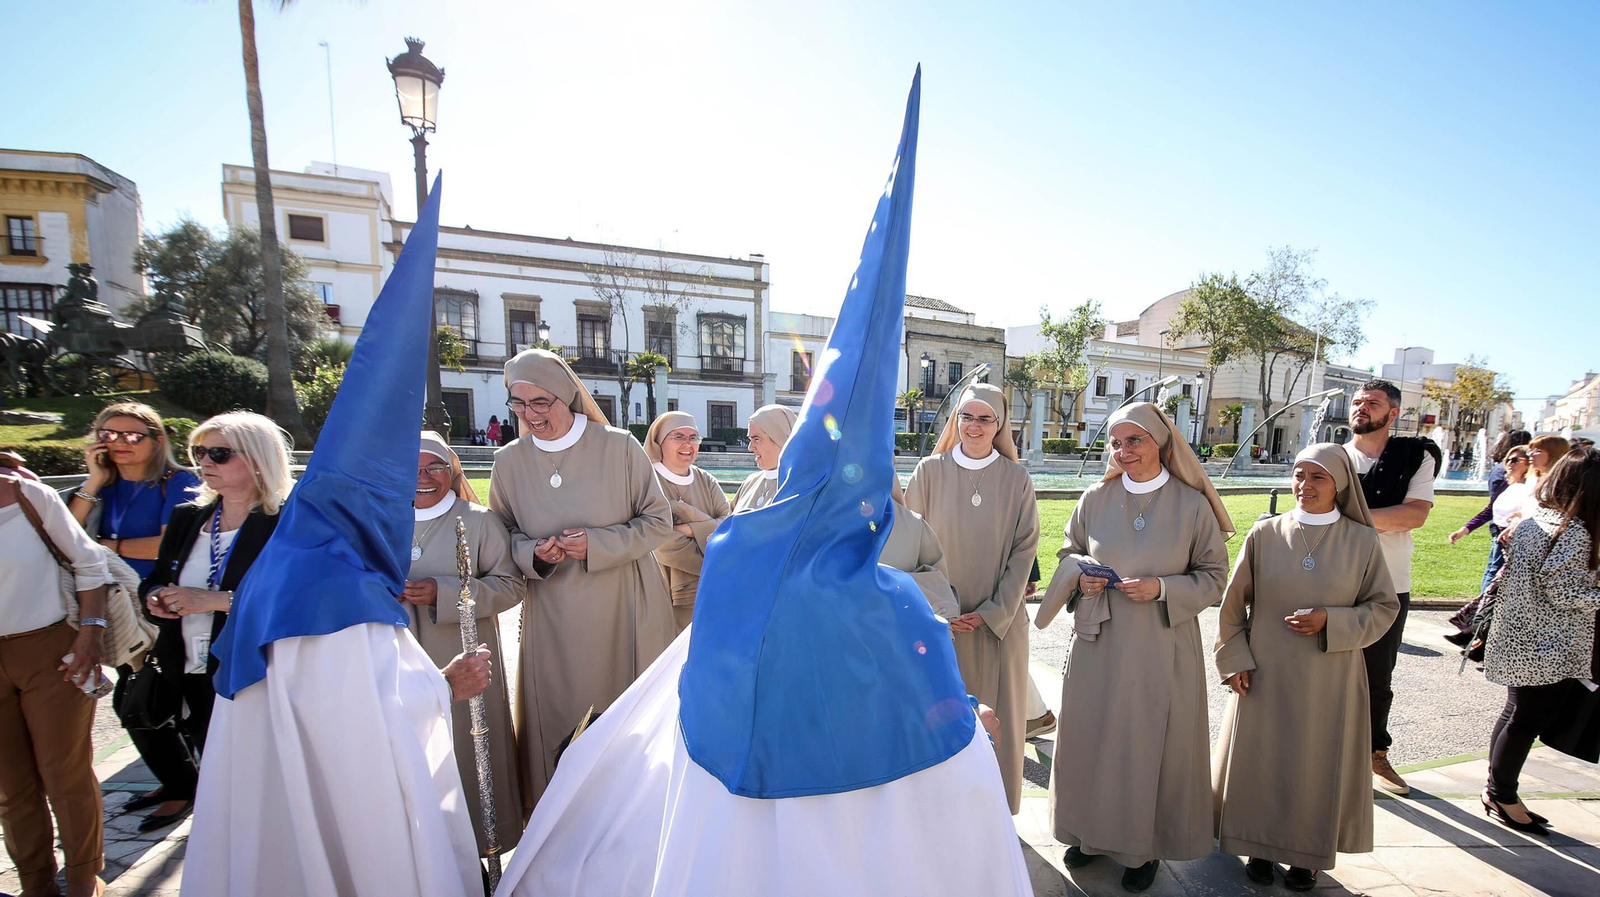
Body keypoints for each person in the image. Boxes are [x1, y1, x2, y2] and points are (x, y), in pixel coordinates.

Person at [493, 76, 1033, 894]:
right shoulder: (881, 598)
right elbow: (940, 721)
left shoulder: (748, 553)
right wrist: (973, 720)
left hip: (727, 816)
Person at [179, 178, 494, 897]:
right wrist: (446, 682)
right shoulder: (343, 586)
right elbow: (365, 722)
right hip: (344, 807)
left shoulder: (289, 558)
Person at [1034, 401, 1232, 893]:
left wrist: (1162, 588)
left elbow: (1213, 576)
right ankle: (1089, 833)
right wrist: (1084, 579)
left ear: (1162, 442)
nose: (1123, 451)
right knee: (1092, 738)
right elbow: (1069, 551)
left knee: (1146, 744)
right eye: (1116, 442)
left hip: (1160, 647)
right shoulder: (1094, 497)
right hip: (1099, 642)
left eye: (1134, 440)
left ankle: (1142, 847)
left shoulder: (1192, 504)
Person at [489, 347, 677, 814]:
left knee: (622, 724)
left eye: (541, 403)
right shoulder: (508, 462)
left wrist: (596, 544)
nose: (529, 415)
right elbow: (499, 537)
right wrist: (533, 553)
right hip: (552, 616)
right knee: (557, 720)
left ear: (566, 397)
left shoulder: (618, 447)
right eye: (518, 403)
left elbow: (658, 522)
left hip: (625, 608)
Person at [1213, 444, 1400, 891]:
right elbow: (1233, 604)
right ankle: (1257, 845)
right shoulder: (1266, 533)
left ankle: (1307, 856)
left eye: (1318, 477)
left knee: (1315, 766)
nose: (1305, 485)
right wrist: (1234, 659)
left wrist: (1331, 620)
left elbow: (1383, 607)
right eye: (1299, 474)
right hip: (1265, 671)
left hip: (1328, 675)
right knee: (1265, 762)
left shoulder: (1362, 540)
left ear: (1340, 484)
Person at [130, 412, 292, 834]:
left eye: (219, 453)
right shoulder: (188, 517)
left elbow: (295, 600)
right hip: (188, 667)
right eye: (199, 452)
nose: (205, 462)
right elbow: (157, 576)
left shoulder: (287, 521)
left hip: (253, 670)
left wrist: (217, 601)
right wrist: (154, 598)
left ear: (258, 459)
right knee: (218, 772)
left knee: (262, 777)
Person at [905, 382, 1040, 815]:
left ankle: (992, 819)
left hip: (999, 625)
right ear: (955, 420)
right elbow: (908, 544)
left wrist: (990, 612)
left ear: (999, 425)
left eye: (985, 418)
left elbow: (1025, 551)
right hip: (935, 623)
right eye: (967, 416)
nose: (975, 426)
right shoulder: (929, 471)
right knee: (935, 716)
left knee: (998, 721)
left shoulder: (1017, 478)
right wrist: (938, 610)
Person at [403, 430, 526, 853]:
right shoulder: (381, 521)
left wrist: (446, 592)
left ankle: (478, 845)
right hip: (399, 656)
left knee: (466, 748)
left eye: (435, 466)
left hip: (464, 656)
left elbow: (511, 586)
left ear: (451, 470)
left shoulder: (477, 521)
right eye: (414, 468)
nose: (425, 476)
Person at [1478, 447, 1600, 836]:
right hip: (1548, 645)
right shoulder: (1574, 531)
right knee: (1525, 721)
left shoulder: (1537, 519)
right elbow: (1562, 589)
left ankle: (1497, 789)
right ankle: (1502, 795)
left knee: (1515, 713)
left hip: (1520, 635)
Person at [0, 473, 111, 897]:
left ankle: (84, 879)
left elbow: (90, 563)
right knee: (11, 785)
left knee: (63, 773)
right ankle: (36, 885)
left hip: (51, 650)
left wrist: (90, 634)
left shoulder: (27, 494)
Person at [1343, 379, 1438, 796]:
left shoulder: (1413, 457)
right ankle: (1323, 752)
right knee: (1317, 668)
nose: (1362, 407)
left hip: (1388, 582)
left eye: (1373, 403)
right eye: (1358, 401)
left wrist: (1346, 516)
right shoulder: (1332, 456)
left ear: (1392, 413)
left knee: (1377, 676)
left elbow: (1414, 515)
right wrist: (1381, 515)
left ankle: (1374, 753)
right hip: (1332, 579)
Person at [66, 402, 201, 581]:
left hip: (154, 594)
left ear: (157, 441)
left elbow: (170, 545)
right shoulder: (100, 482)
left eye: (133, 436)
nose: (120, 442)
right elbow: (67, 533)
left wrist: (104, 546)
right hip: (103, 589)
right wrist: (94, 480)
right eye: (109, 435)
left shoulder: (179, 481)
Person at [644, 411, 732, 632]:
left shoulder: (707, 481)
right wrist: (711, 557)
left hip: (708, 591)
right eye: (678, 436)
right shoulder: (646, 481)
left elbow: (729, 527)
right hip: (658, 587)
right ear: (660, 442)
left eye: (693, 437)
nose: (688, 444)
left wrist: (688, 525)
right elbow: (658, 540)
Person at [1451, 430, 1532, 591]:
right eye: (1508, 459)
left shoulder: (1532, 487)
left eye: (1516, 460)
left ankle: (1485, 611)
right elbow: (1489, 510)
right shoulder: (1506, 484)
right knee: (1492, 573)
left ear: (1528, 463)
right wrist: (1464, 530)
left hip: (1517, 542)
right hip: (1499, 538)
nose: (1510, 463)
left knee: (1497, 577)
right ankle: (1483, 611)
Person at [732, 404, 798, 512]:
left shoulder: (801, 486)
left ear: (781, 440)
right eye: (750, 439)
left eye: (756, 439)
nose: (750, 447)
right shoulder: (750, 482)